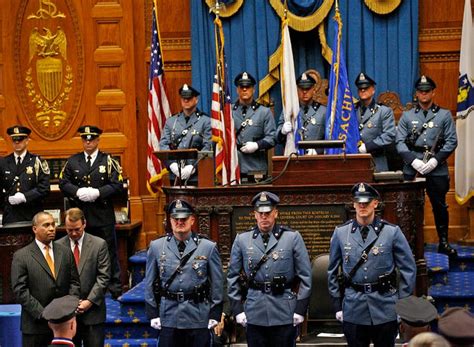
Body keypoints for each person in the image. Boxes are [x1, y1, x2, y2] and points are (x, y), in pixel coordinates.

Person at [327, 182, 416, 347]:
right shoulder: (341, 233)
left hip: (385, 306)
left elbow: (408, 269)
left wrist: (402, 305)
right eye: (358, 202)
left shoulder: (391, 232)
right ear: (353, 204)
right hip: (353, 306)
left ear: (375, 203)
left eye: (366, 202)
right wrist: (338, 306)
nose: (362, 205)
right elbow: (332, 272)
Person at [227, 191, 312, 347]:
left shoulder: (292, 237)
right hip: (254, 310)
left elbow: (305, 277)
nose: (264, 216)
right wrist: (238, 310)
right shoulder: (242, 239)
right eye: (260, 213)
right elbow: (232, 277)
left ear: (275, 213)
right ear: (255, 214)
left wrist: (300, 309)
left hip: (284, 310)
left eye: (268, 212)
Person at [145, 199, 223, 347]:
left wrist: (214, 314)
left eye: (184, 219)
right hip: (169, 315)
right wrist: (152, 313)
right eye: (176, 219)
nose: (179, 222)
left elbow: (217, 284)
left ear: (192, 220)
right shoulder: (156, 247)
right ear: (170, 220)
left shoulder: (208, 247)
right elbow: (149, 283)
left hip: (198, 315)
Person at [59, 125, 124, 299]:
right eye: (85, 139)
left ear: (97, 140)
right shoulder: (73, 161)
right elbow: (63, 183)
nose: (88, 142)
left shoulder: (108, 160)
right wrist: (76, 191)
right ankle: (83, 287)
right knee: (82, 252)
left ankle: (115, 288)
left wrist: (99, 192)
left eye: (91, 139)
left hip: (102, 214)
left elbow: (118, 184)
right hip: (81, 215)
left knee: (109, 250)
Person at [396, 75, 458, 257]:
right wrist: (412, 161)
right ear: (416, 94)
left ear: (433, 92)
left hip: (436, 167)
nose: (424, 94)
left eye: (427, 91)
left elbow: (451, 141)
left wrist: (435, 161)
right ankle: (412, 243)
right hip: (412, 167)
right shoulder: (407, 116)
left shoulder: (444, 115)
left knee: (440, 205)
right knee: (409, 206)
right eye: (421, 91)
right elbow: (399, 142)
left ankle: (443, 242)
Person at [11, 211, 80, 347]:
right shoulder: (21, 256)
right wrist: (44, 314)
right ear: (35, 229)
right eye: (46, 225)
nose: (51, 228)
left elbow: (74, 282)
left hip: (64, 326)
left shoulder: (65, 252)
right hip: (35, 325)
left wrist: (67, 310)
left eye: (53, 224)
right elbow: (20, 290)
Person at [56, 208, 111, 347]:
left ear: (84, 224)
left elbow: (103, 277)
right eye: (69, 230)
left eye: (77, 229)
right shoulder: (57, 246)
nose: (73, 233)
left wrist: (88, 302)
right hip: (67, 315)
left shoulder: (99, 244)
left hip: (93, 313)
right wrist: (69, 304)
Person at [159, 84, 212, 185]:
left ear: (196, 100)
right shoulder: (171, 121)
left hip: (197, 173)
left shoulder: (205, 121)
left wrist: (193, 167)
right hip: (175, 173)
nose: (186, 101)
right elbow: (163, 144)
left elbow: (208, 146)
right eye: (183, 98)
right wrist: (172, 164)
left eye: (189, 98)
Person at [0, 125, 50, 224]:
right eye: (14, 140)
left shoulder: (37, 161)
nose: (17, 142)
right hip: (11, 215)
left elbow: (44, 189)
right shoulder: (3, 162)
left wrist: (25, 197)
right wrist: (6, 201)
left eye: (20, 139)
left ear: (27, 140)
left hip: (32, 214)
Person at [233, 72, 276, 182]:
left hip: (256, 166)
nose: (244, 90)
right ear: (237, 90)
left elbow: (272, 138)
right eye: (241, 87)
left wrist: (257, 145)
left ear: (254, 89)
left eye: (248, 87)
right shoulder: (228, 112)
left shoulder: (264, 112)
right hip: (234, 166)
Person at [276, 72, 327, 154]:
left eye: (308, 89)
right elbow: (277, 139)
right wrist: (282, 132)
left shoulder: (323, 111)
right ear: (297, 90)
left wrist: (317, 150)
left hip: (316, 160)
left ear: (314, 90)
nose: (304, 92)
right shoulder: (289, 111)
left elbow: (330, 139)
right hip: (294, 157)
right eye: (301, 89)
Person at [354, 73, 396, 172]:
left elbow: (389, 135)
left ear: (373, 90)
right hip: (354, 160)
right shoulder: (351, 111)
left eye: (366, 88)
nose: (363, 90)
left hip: (377, 161)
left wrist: (368, 147)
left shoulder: (384, 111)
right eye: (360, 88)